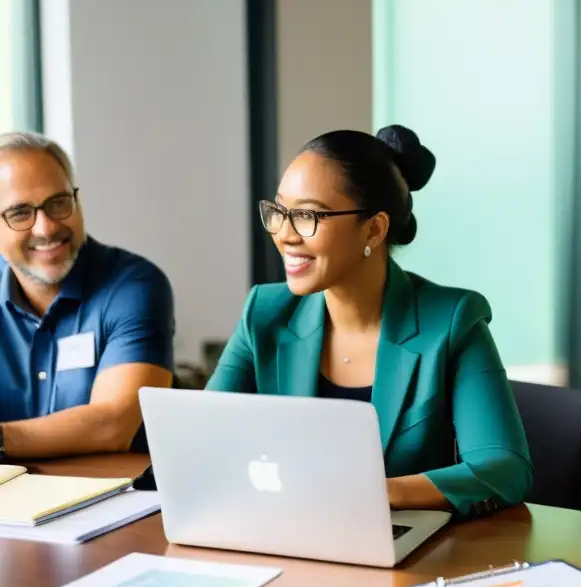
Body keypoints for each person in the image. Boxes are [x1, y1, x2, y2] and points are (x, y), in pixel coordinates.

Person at [206, 126, 533, 518]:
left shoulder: (451, 321)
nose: (285, 234)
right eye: (279, 212)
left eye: (307, 215)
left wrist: (372, 493)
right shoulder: (264, 312)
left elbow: (505, 468)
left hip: (398, 551)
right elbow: (203, 437)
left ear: (375, 229)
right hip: (283, 532)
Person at [0, 132, 175, 459]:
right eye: (20, 213)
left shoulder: (133, 285)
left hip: (112, 500)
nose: (46, 228)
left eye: (58, 202)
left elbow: (114, 425)